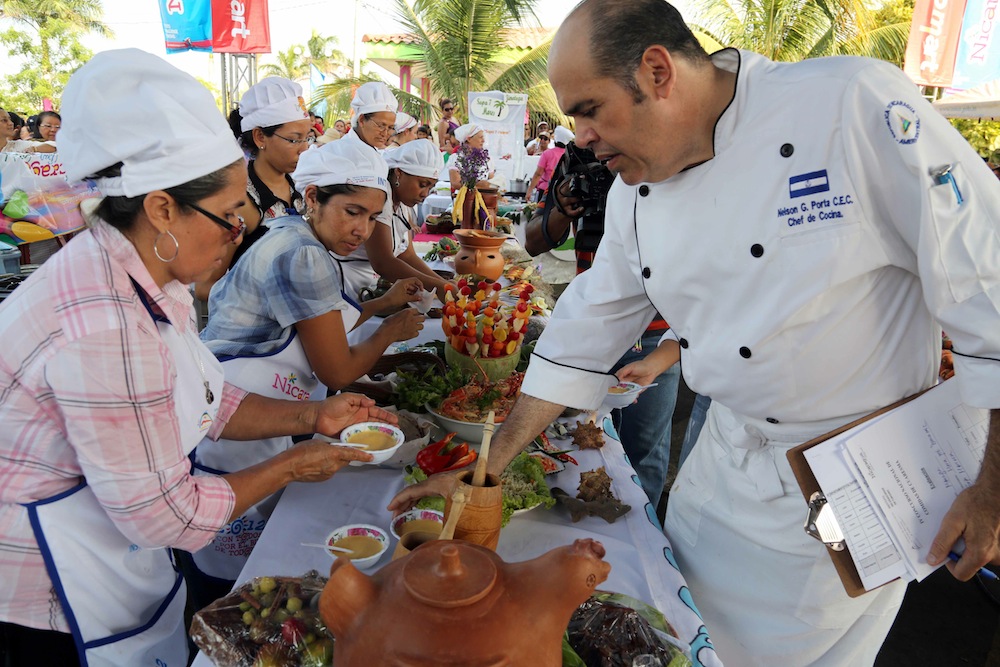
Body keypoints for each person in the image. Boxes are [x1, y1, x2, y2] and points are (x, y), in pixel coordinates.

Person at [391, 1, 1000, 665]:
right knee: (673, 631)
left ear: (657, 71)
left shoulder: (853, 107)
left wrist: (992, 489)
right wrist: (487, 470)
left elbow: (986, 284)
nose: (583, 135)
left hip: (853, 479)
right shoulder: (633, 193)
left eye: (590, 108)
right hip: (723, 463)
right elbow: (584, 330)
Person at [0, 49, 387, 667]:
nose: (241, 231)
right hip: (48, 594)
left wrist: (313, 419)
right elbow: (165, 516)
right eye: (232, 214)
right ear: (160, 209)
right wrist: (292, 468)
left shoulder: (150, 276)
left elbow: (206, 396)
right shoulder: (104, 325)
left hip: (106, 553)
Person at [193, 139, 424, 592]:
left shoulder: (294, 236)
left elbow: (319, 325)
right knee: (241, 578)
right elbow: (336, 371)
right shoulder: (304, 255)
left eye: (373, 217)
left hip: (259, 404)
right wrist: (389, 331)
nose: (362, 229)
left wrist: (380, 312)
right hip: (240, 416)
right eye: (352, 211)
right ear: (314, 197)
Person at [524, 140, 680, 509]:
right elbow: (534, 241)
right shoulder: (575, 160)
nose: (585, 133)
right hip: (594, 325)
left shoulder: (670, 155)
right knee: (582, 440)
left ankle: (643, 537)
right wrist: (562, 208)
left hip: (659, 333)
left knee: (645, 449)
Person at [195, 77, 314, 302]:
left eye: (307, 138)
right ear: (260, 137)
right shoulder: (242, 204)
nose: (304, 149)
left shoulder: (298, 191)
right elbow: (204, 288)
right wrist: (264, 295)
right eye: (294, 140)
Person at [361, 139, 452, 303]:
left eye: (430, 187)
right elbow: (383, 262)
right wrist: (440, 287)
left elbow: (407, 254)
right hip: (361, 288)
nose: (425, 194)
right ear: (399, 173)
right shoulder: (380, 196)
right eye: (422, 184)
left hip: (382, 287)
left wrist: (442, 285)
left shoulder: (404, 204)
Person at [336, 81, 400, 299]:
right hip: (346, 268)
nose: (386, 133)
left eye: (391, 128)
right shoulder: (349, 154)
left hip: (366, 268)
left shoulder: (372, 154)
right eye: (381, 125)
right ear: (361, 119)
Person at [525, 125, 573, 203]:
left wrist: (529, 191)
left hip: (545, 190)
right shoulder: (569, 155)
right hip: (562, 193)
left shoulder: (547, 153)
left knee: (540, 214)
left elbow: (538, 174)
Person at [448, 123, 494, 191]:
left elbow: (492, 182)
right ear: (469, 139)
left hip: (484, 198)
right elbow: (455, 183)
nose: (483, 140)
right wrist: (479, 184)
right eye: (480, 137)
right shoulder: (456, 158)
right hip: (464, 199)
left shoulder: (487, 159)